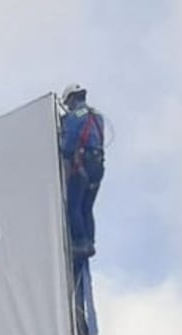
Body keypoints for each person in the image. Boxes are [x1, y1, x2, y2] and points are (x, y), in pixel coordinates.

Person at [59, 83, 107, 263]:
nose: (68, 106)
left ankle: (80, 243)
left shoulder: (75, 116)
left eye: (68, 102)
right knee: (87, 207)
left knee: (74, 206)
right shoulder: (97, 116)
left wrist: (62, 146)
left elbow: (69, 144)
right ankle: (90, 243)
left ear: (72, 98)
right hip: (97, 165)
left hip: (82, 165)